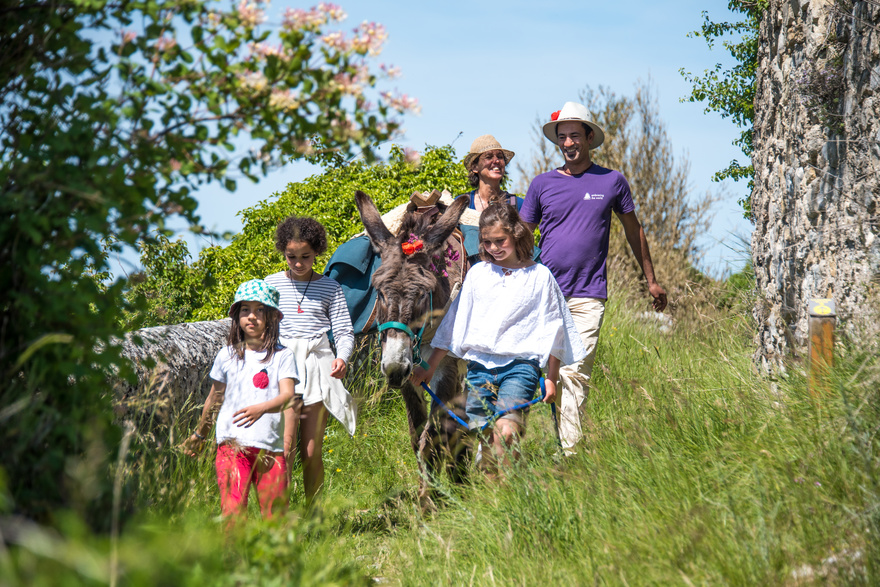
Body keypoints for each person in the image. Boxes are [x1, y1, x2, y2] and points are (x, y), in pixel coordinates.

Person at [520, 101, 668, 456]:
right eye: (562, 137)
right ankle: (554, 442)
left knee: (574, 372)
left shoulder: (611, 181)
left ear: (589, 138)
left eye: (575, 136)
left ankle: (571, 454)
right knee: (546, 372)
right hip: (546, 294)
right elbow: (521, 238)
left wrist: (651, 280)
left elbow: (634, 231)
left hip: (589, 294)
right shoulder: (542, 184)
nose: (568, 143)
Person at [411, 203, 586, 473]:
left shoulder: (540, 276)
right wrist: (430, 366)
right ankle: (498, 489)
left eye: (500, 240)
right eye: (487, 242)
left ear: (516, 234)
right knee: (484, 436)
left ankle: (503, 484)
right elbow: (454, 324)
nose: (493, 248)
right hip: (480, 368)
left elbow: (554, 329)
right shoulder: (478, 274)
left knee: (505, 432)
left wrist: (551, 378)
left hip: (521, 368)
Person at [183, 279, 297, 523]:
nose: (252, 316)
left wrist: (261, 409)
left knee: (275, 519)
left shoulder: (283, 356)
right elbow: (214, 398)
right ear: (237, 317)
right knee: (233, 514)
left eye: (259, 310)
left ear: (272, 317)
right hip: (231, 447)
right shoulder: (227, 356)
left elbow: (288, 396)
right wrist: (200, 434)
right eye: (245, 310)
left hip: (270, 448)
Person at [265, 216, 356, 502]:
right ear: (283, 252)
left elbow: (344, 331)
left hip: (318, 369)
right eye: (291, 256)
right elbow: (260, 327)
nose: (298, 263)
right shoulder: (271, 284)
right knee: (285, 449)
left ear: (316, 251)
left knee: (312, 452)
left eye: (305, 256)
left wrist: (342, 358)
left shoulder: (330, 287)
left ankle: (314, 514)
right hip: (283, 370)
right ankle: (278, 514)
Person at [461, 135, 523, 213]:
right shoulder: (462, 204)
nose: (496, 161)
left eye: (500, 156)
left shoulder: (517, 204)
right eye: (488, 157)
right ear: (475, 167)